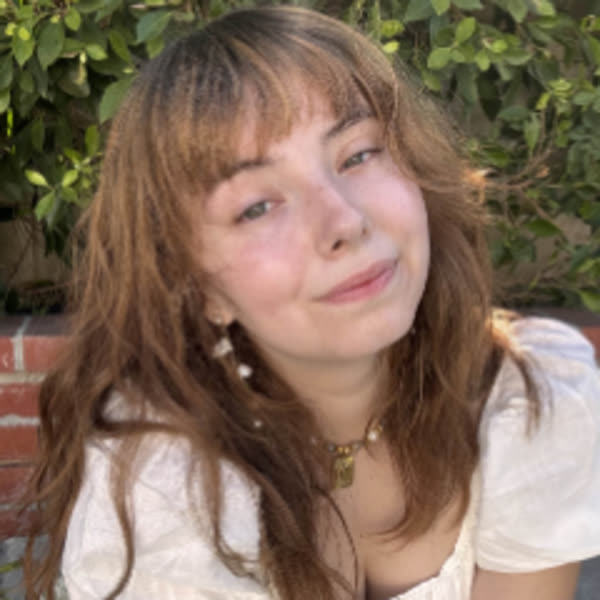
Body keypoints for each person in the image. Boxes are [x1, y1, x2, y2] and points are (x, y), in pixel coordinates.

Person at [23, 6, 600, 600]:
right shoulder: (164, 486)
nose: (345, 221)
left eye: (359, 155)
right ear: (200, 288)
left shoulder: (530, 400)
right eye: (256, 206)